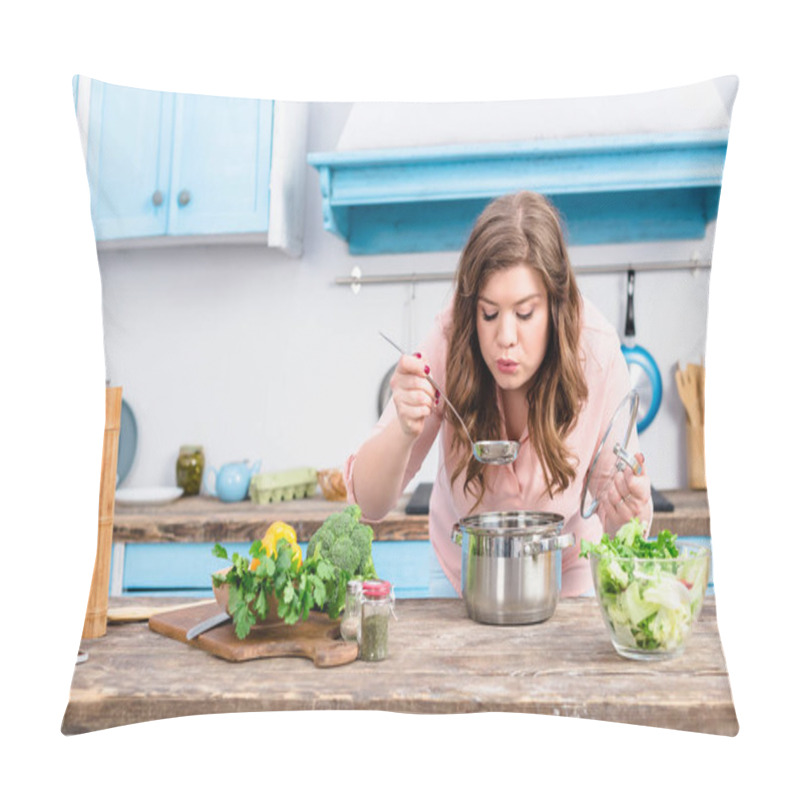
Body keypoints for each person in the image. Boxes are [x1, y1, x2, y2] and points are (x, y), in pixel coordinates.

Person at [344, 191, 653, 597]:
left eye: (525, 314)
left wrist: (626, 514)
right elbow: (368, 506)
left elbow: (622, 523)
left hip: (565, 572)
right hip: (464, 570)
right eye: (489, 313)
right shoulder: (451, 336)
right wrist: (402, 429)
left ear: (556, 306)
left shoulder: (595, 352)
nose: (505, 339)